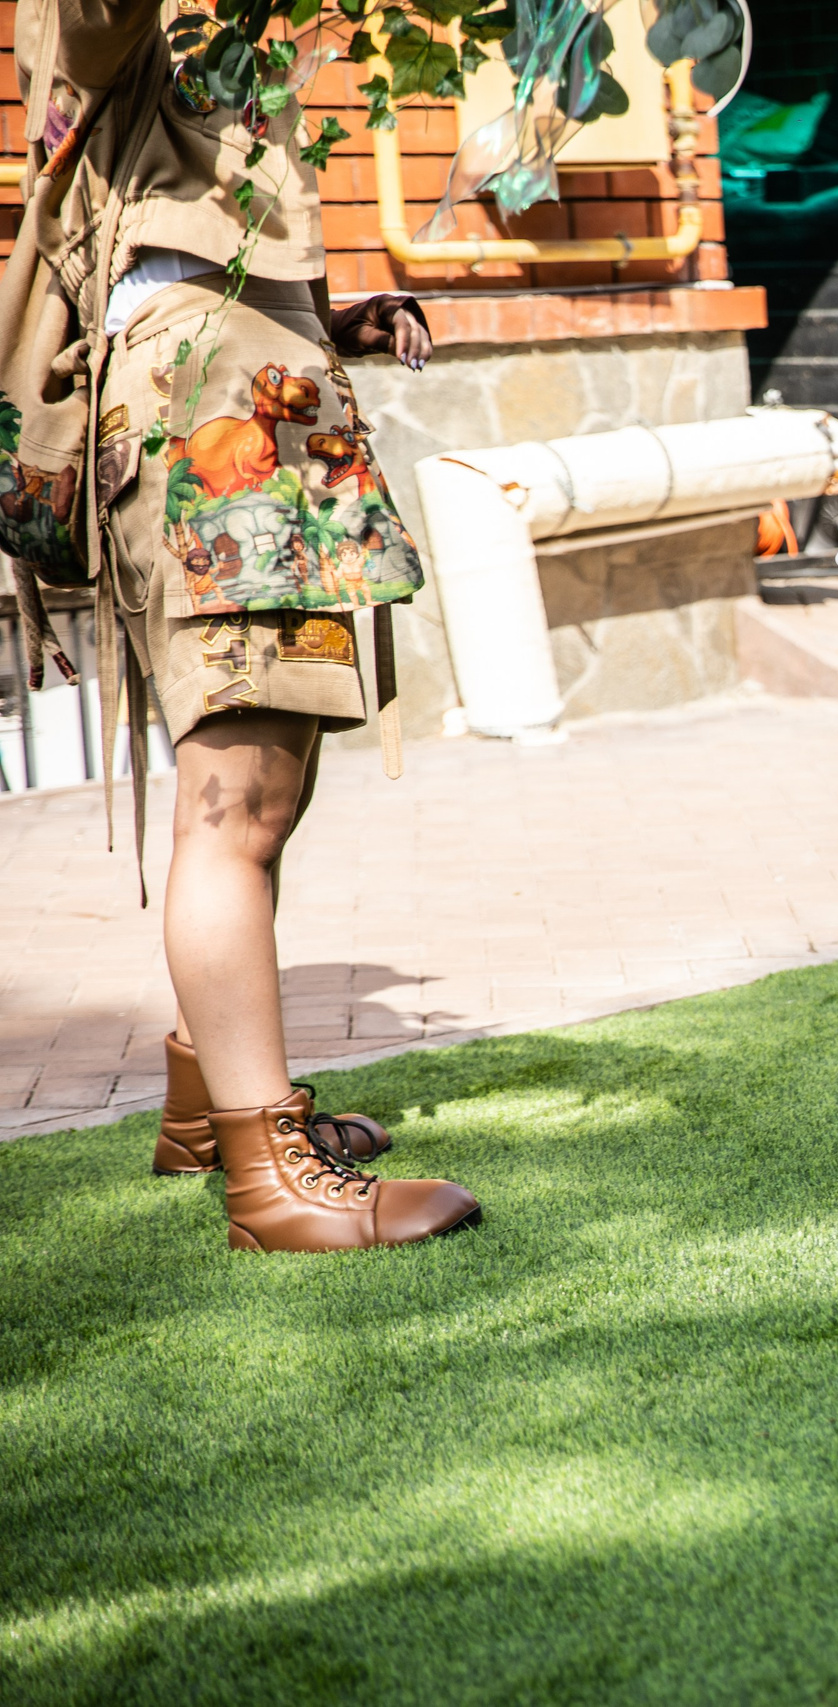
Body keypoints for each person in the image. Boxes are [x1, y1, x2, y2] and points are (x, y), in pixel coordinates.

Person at [4, 0, 478, 1251]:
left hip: (268, 427)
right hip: (219, 443)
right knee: (235, 807)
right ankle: (269, 1180)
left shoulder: (213, 53)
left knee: (267, 791)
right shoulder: (111, 23)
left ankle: (211, 1106)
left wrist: (328, 325)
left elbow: (195, 239)